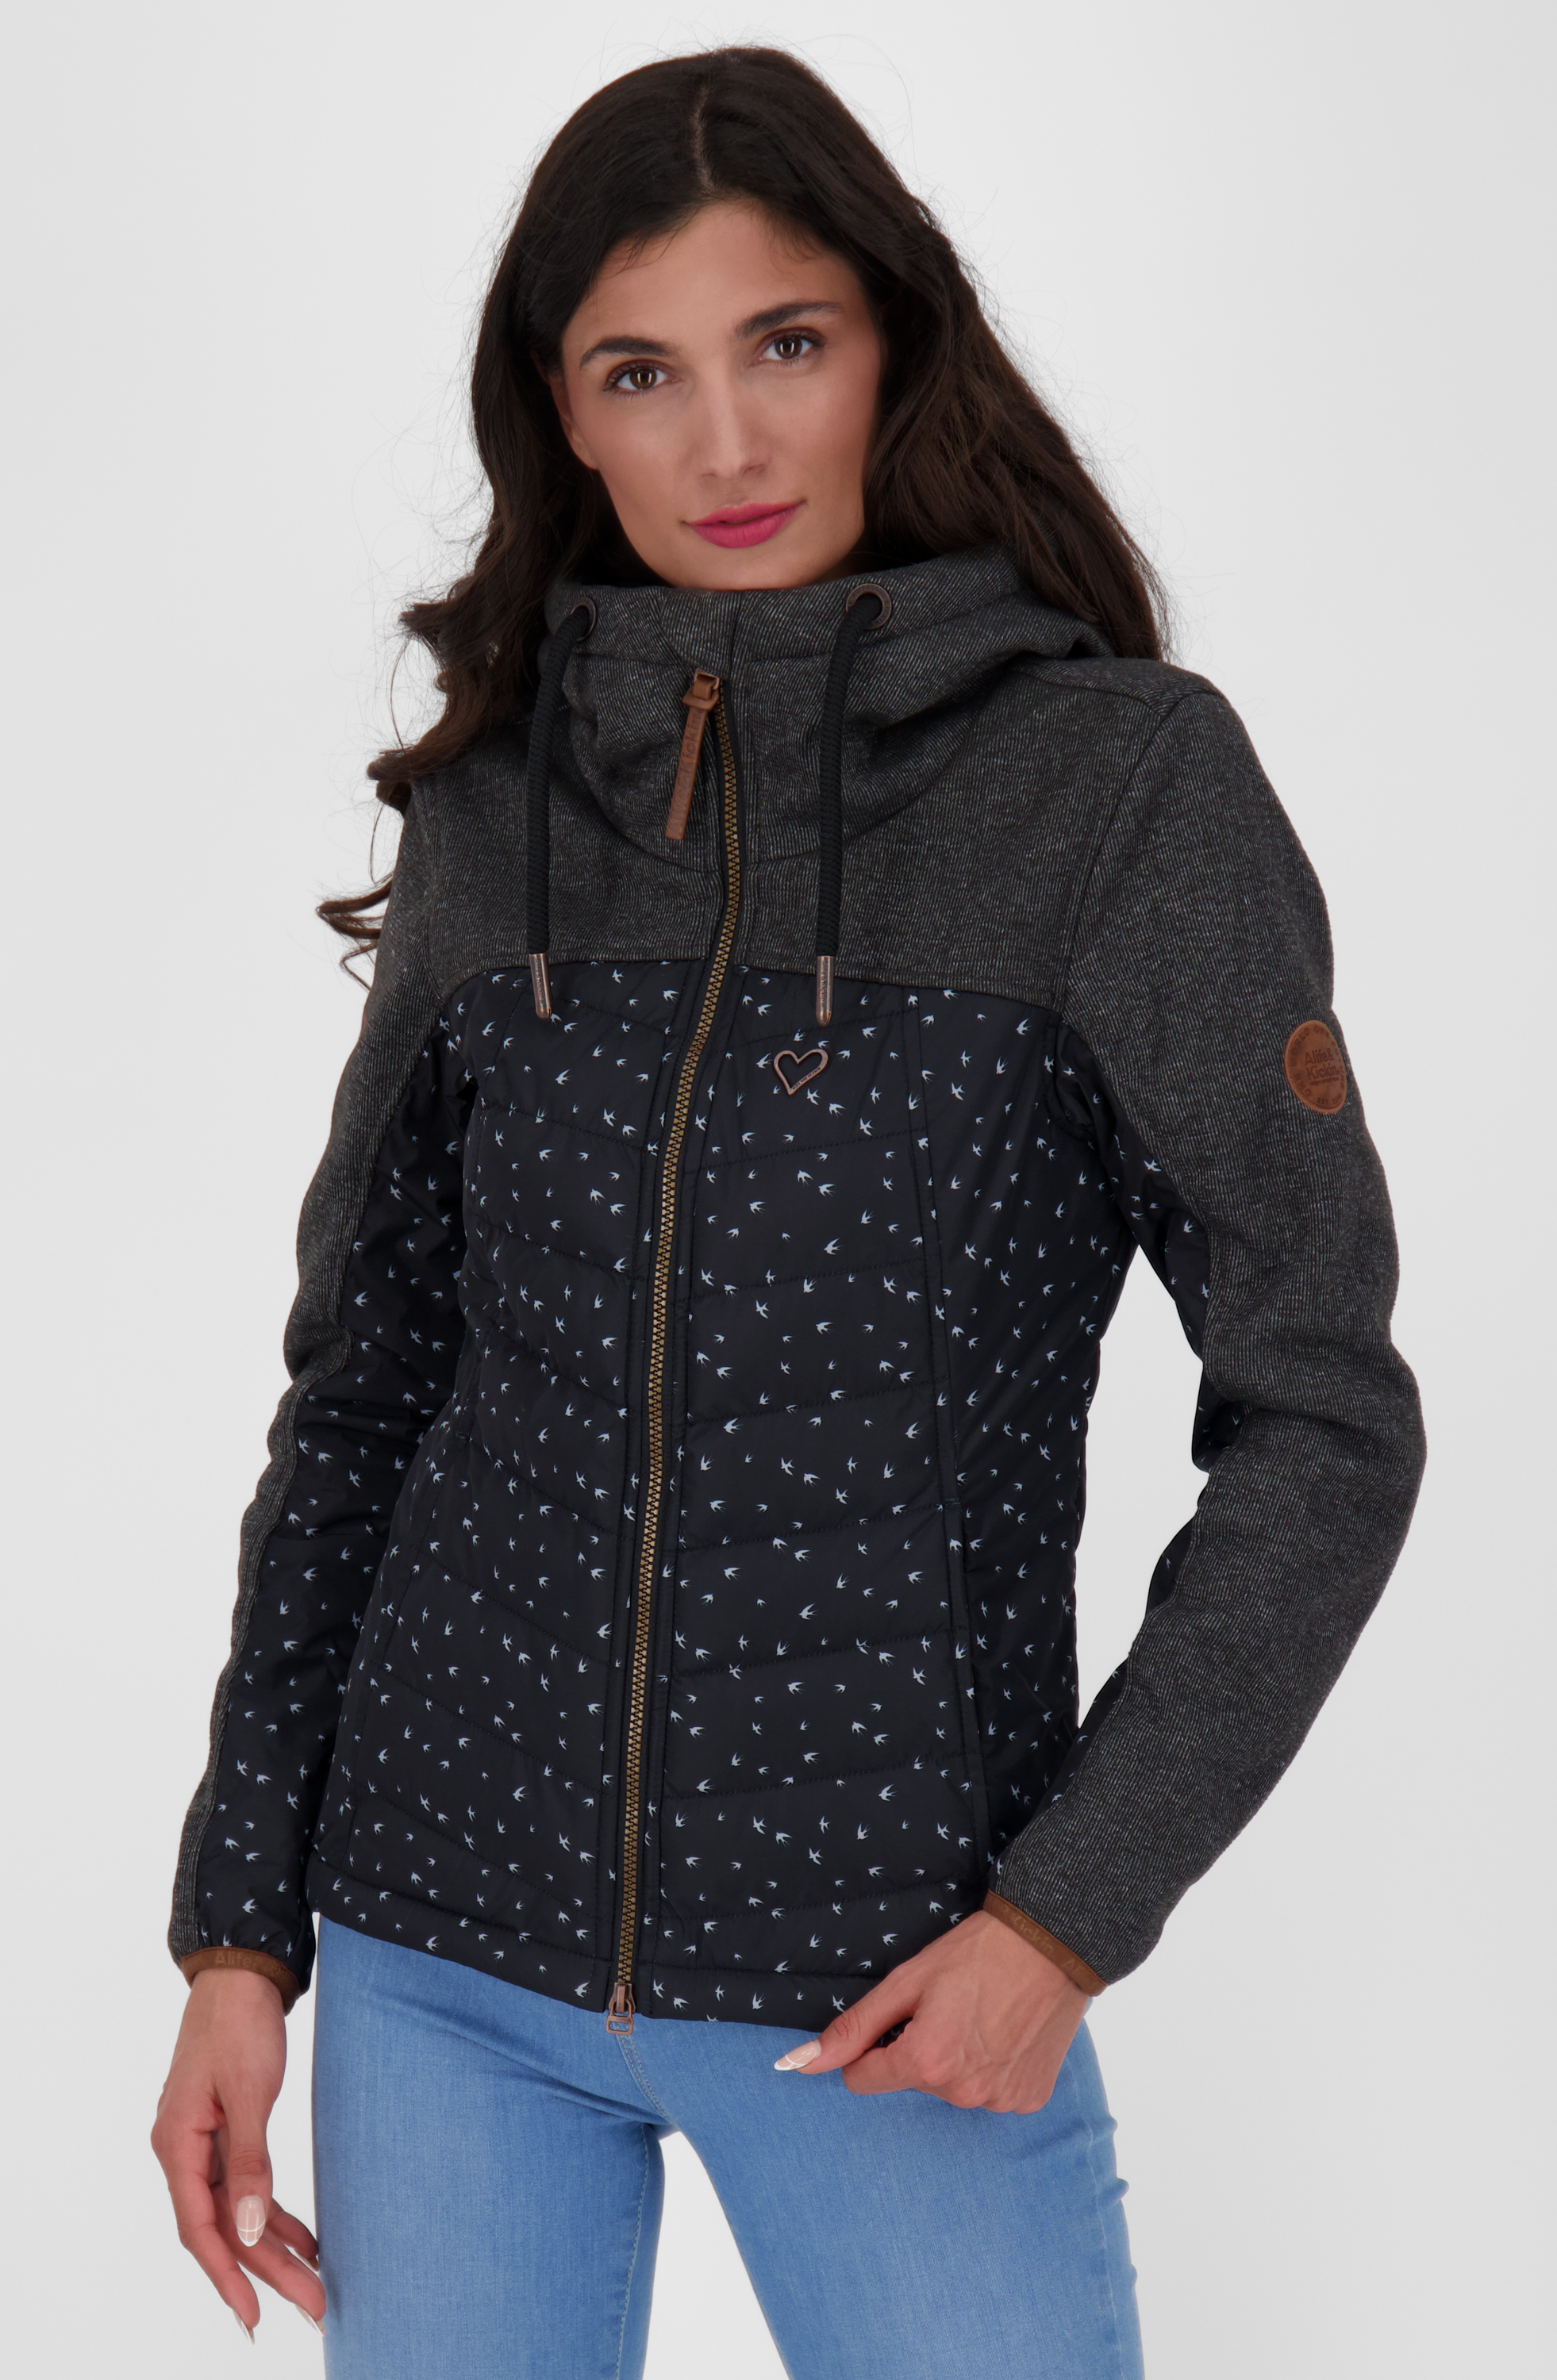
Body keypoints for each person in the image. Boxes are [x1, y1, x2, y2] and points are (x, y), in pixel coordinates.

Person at [152, 45, 1424, 2380]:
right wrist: (240, 1936)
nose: (726, 444)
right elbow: (364, 1393)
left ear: (893, 348)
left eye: (787, 345)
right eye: (642, 372)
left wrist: (1067, 1916)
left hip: (894, 1986)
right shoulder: (503, 798)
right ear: (563, 416)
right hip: (439, 1962)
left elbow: (1326, 1413)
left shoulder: (1117, 788)